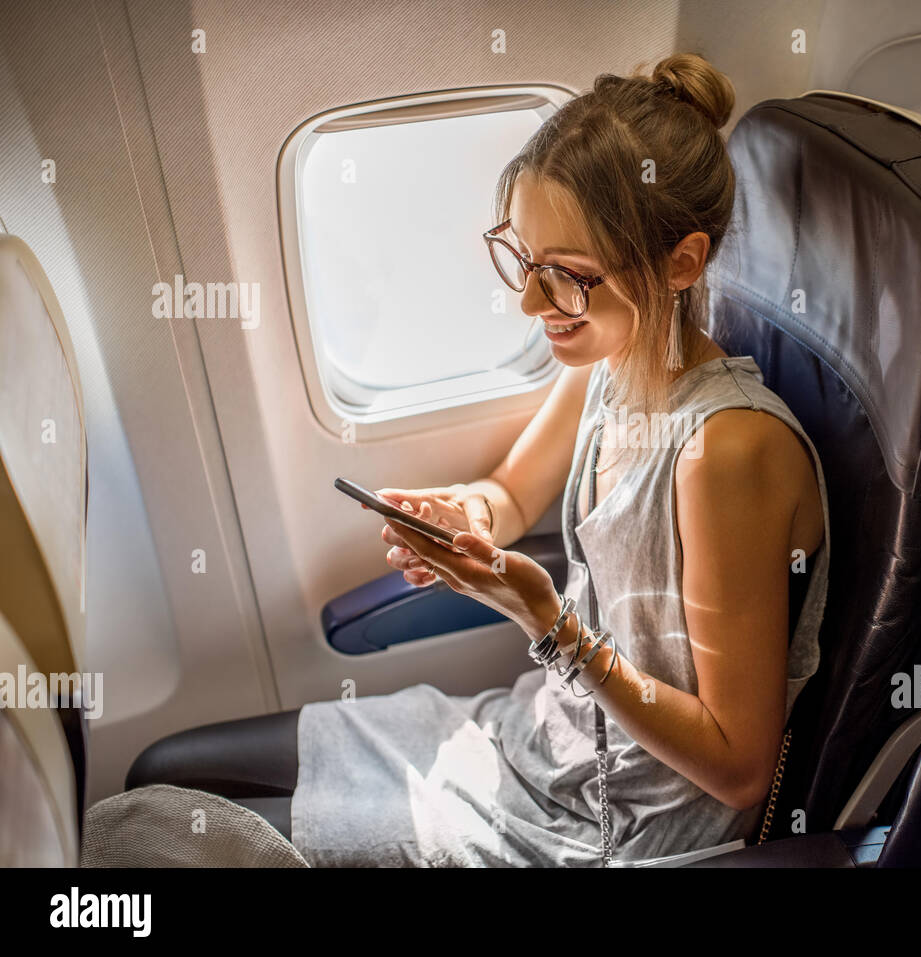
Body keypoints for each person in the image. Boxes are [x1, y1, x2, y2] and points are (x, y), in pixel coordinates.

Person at [126, 52, 832, 867]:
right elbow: (509, 493)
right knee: (160, 775)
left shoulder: (726, 453)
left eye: (567, 277)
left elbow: (739, 768)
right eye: (524, 263)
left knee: (163, 847)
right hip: (536, 737)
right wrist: (464, 515)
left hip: (618, 821)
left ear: (682, 262)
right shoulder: (608, 366)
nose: (531, 304)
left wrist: (549, 622)